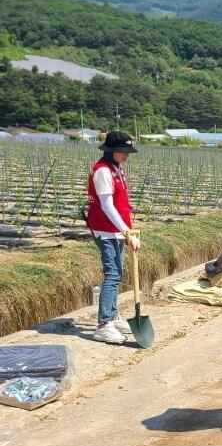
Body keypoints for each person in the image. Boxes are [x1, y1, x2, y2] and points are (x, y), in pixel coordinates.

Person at [85, 131, 141, 345]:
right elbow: (107, 205)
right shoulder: (102, 171)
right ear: (112, 151)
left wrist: (127, 230)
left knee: (118, 272)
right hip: (105, 230)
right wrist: (126, 231)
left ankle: (114, 315)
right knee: (112, 274)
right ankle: (103, 324)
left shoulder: (116, 168)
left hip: (116, 230)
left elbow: (120, 203)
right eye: (123, 151)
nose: (127, 155)